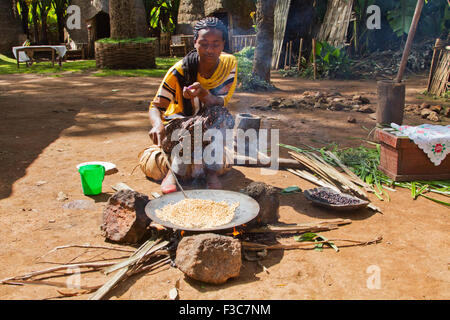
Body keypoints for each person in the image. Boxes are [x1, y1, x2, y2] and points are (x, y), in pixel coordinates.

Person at [148, 17, 238, 194]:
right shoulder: (180, 71)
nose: (209, 50)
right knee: (197, 125)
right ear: (194, 42)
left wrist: (203, 93)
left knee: (221, 114)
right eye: (203, 44)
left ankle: (211, 172)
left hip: (208, 131)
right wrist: (158, 125)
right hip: (177, 133)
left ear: (223, 44)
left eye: (215, 44)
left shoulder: (228, 66)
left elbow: (219, 102)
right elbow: (156, 106)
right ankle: (174, 172)